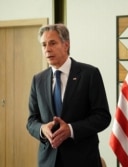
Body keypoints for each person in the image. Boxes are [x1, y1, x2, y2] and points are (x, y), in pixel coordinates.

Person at [26, 23, 111, 167]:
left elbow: (102, 117)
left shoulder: (89, 74)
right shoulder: (38, 80)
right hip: (48, 160)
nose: (47, 49)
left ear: (66, 45)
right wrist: (42, 129)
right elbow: (31, 121)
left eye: (52, 43)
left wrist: (71, 129)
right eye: (44, 44)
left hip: (82, 159)